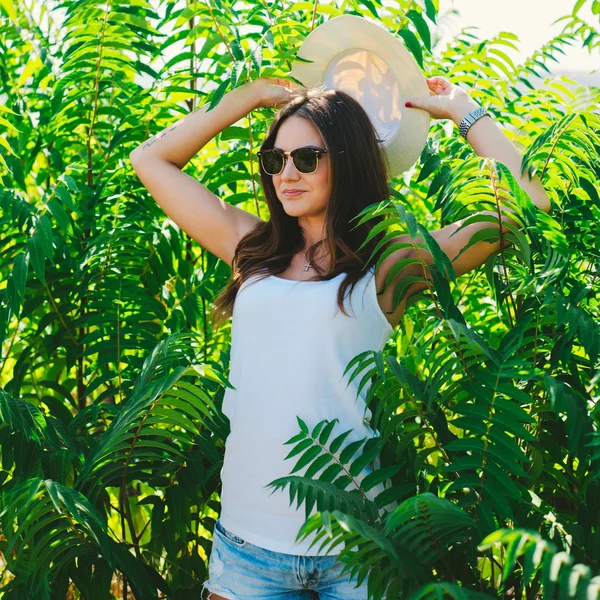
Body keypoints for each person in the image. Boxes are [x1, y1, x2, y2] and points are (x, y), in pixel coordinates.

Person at [129, 75, 551, 600]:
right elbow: (149, 161)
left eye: (307, 158)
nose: (287, 173)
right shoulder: (250, 249)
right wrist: (246, 100)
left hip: (356, 551)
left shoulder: (390, 264)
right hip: (248, 548)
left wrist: (465, 112)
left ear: (346, 160)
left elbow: (525, 204)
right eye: (275, 160)